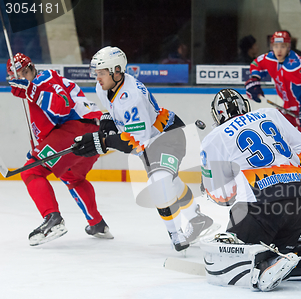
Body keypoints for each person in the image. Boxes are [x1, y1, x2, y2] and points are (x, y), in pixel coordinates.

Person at [199, 89, 301, 291]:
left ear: (217, 115)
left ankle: (265, 266)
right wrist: (293, 170)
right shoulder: (269, 113)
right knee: (281, 250)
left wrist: (211, 188)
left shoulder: (214, 137)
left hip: (259, 207)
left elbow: (222, 196)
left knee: (234, 250)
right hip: (300, 199)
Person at [72, 46, 214, 252]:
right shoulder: (103, 87)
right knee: (169, 181)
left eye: (102, 73)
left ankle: (176, 235)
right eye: (97, 73)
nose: (98, 77)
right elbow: (112, 112)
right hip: (150, 143)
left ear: (117, 71)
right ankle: (196, 219)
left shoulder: (132, 96)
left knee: (159, 183)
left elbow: (135, 140)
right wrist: (106, 123)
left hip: (168, 136)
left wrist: (102, 143)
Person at [7, 53, 113, 246]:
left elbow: (63, 107)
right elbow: (49, 126)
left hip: (78, 129)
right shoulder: (35, 87)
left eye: (23, 73)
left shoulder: (45, 78)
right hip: (92, 133)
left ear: (31, 67)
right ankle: (97, 224)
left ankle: (53, 219)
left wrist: (31, 90)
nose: (21, 78)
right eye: (16, 76)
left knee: (32, 171)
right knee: (73, 177)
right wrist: (38, 150)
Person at [245, 30, 301, 195]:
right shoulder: (270, 58)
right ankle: (279, 176)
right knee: (275, 136)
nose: (279, 50)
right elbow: (256, 64)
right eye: (275, 46)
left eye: (283, 46)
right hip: (289, 109)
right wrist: (254, 80)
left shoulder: (296, 65)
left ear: (289, 47)